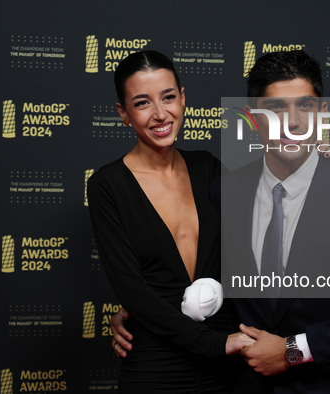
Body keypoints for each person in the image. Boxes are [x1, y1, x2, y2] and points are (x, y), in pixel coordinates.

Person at [111, 50, 330, 393]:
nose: (293, 121)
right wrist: (140, 316)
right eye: (276, 108)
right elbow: (204, 272)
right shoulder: (225, 191)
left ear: (323, 114)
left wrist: (291, 351)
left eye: (306, 106)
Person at [87, 50, 255, 393]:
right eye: (142, 103)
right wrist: (212, 343)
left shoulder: (209, 168)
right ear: (123, 113)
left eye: (168, 97)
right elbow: (132, 289)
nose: (160, 114)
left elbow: (251, 253)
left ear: (183, 98)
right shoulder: (108, 185)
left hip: (229, 358)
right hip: (157, 362)